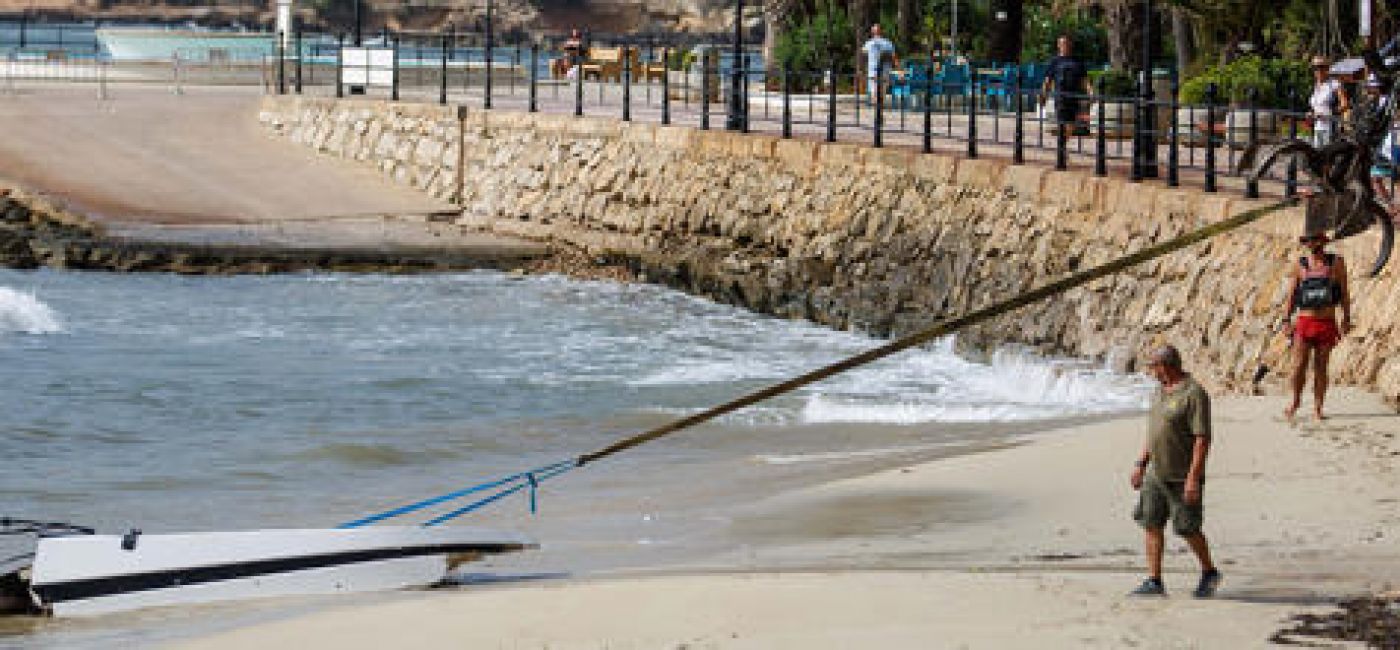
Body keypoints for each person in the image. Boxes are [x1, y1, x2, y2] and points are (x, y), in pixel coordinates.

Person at [1129, 345, 1221, 598]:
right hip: (1156, 473)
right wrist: (1140, 463)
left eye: (1154, 367)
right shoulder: (1159, 392)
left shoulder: (1194, 395)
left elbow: (1202, 439)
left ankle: (1209, 571)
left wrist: (1193, 477)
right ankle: (1154, 580)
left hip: (1182, 477)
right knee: (1151, 523)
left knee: (1187, 528)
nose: (1152, 372)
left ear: (1165, 366)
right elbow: (1154, 432)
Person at [1284, 231, 1352, 421]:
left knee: (1321, 367)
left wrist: (1346, 318)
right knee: (1298, 366)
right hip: (1305, 322)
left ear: (1323, 241)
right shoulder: (1300, 264)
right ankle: (1295, 401)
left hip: (1327, 322)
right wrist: (1285, 320)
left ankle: (1318, 407)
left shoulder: (1336, 262)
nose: (1310, 243)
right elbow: (1291, 295)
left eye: (1314, 239)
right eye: (1307, 240)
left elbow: (1345, 293)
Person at [1041, 35, 1090, 136]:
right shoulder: (1054, 61)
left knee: (1071, 124)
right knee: (1062, 123)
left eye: (1067, 43)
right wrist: (1044, 95)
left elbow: (1084, 79)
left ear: (1071, 45)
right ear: (1058, 45)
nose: (1065, 46)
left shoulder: (1078, 61)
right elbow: (1048, 80)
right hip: (1060, 97)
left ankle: (1062, 144)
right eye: (1063, 44)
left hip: (1074, 96)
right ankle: (1061, 146)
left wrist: (1090, 92)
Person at [1309, 55, 1351, 148]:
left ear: (1327, 68)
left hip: (1330, 127)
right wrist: (1311, 114)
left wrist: (1330, 113)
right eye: (1315, 68)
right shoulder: (1316, 86)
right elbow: (1317, 107)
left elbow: (1345, 104)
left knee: (1327, 157)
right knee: (1317, 155)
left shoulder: (1334, 84)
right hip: (1317, 127)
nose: (1318, 70)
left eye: (1321, 67)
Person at [861, 24, 899, 104]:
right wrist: (897, 67)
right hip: (884, 69)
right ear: (881, 31)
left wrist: (863, 68)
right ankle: (879, 107)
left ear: (872, 32)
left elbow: (864, 54)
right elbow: (893, 57)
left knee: (874, 91)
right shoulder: (888, 43)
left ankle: (877, 108)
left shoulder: (868, 43)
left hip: (873, 70)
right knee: (882, 90)